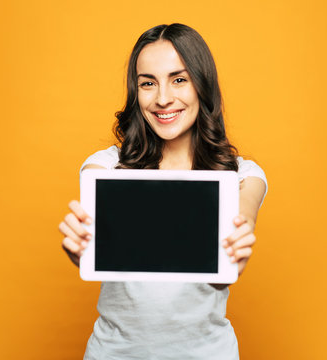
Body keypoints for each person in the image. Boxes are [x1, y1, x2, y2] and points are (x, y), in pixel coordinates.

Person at [58, 23, 267, 360]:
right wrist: (81, 247)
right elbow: (91, 226)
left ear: (202, 85)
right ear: (135, 91)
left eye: (179, 79)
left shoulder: (242, 174)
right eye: (148, 83)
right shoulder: (107, 167)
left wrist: (233, 248)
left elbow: (243, 213)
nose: (163, 98)